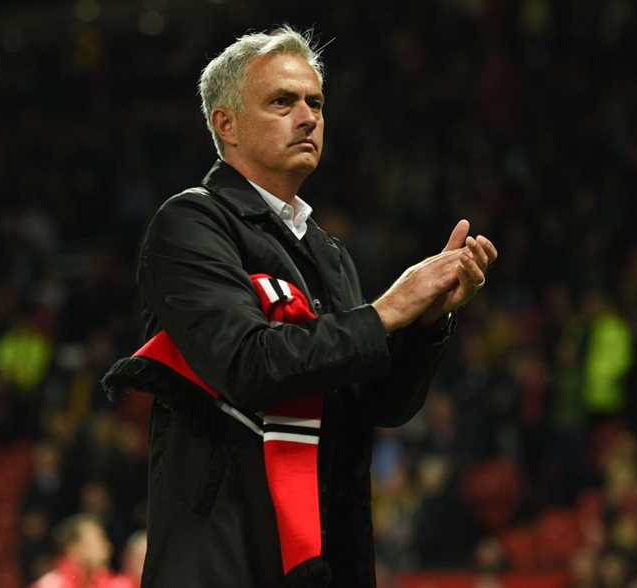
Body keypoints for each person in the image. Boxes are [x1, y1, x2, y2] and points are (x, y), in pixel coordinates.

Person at [101, 26, 497, 587]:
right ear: (226, 124)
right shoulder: (191, 224)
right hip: (229, 562)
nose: (308, 117)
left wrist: (424, 324)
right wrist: (385, 312)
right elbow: (248, 364)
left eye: (316, 103)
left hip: (329, 561)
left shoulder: (329, 253)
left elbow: (378, 405)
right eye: (283, 102)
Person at [30, 514, 117, 588]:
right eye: (97, 541)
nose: (107, 547)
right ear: (73, 548)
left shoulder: (108, 584)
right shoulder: (51, 585)